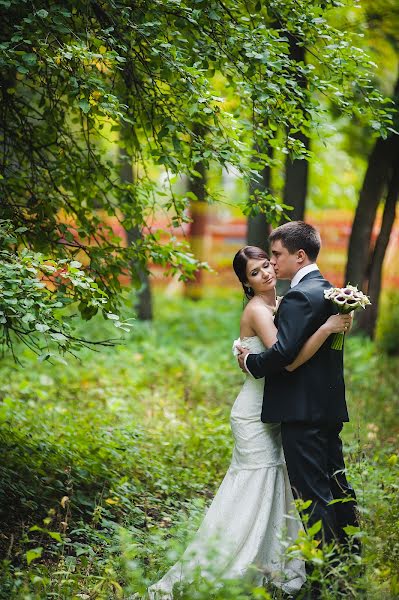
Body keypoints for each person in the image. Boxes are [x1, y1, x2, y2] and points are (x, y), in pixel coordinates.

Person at [148, 243, 352, 599]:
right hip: (255, 415)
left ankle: (273, 563)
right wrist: (326, 327)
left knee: (279, 485)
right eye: (255, 273)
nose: (266, 273)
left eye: (266, 265)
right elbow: (284, 359)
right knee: (253, 485)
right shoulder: (260, 310)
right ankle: (229, 562)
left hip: (280, 408)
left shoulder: (284, 302)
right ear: (247, 283)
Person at [237, 221, 359, 553]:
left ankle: (325, 580)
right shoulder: (330, 291)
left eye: (276, 255)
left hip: (302, 413)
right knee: (337, 486)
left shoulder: (298, 298)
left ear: (300, 256)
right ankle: (349, 562)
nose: (272, 263)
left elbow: (283, 356)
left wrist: (250, 362)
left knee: (312, 496)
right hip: (328, 406)